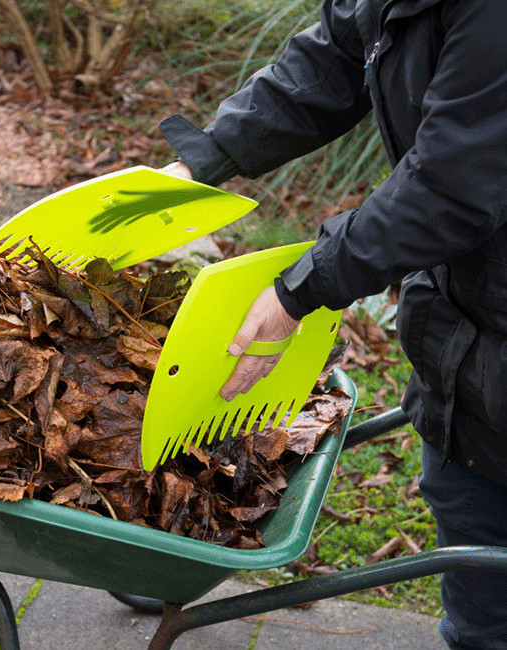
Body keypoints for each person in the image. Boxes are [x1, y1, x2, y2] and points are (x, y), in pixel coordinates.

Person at [158, 0, 507, 647]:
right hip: (469, 337)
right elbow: (331, 62)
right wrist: (199, 163)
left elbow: (448, 192)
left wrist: (298, 292)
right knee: (477, 549)